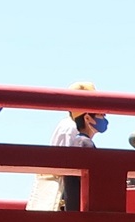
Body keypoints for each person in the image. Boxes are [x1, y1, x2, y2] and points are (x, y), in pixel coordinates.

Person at [28, 83, 106, 213]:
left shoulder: (68, 126)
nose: (104, 116)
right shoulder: (73, 131)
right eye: (101, 113)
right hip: (67, 196)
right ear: (87, 117)